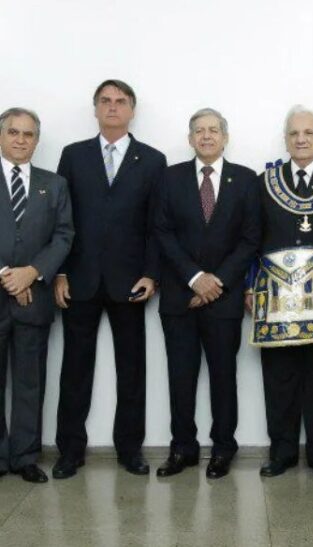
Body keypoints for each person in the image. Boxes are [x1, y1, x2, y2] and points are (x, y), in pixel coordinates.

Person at [52, 79, 167, 479]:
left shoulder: (153, 160)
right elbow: (61, 219)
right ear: (95, 109)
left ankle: (130, 449)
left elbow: (157, 225)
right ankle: (69, 451)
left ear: (132, 110)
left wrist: (152, 274)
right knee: (74, 370)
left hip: (130, 282)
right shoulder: (73, 155)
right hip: (79, 281)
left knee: (131, 371)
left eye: (121, 102)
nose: (113, 108)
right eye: (106, 101)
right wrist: (60, 272)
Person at [154, 108, 260, 479]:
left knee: (223, 377)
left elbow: (250, 239)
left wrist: (216, 283)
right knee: (180, 377)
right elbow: (162, 233)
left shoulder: (246, 180)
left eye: (214, 130)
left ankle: (223, 449)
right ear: (190, 139)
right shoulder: (169, 178)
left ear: (225, 137)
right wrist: (195, 278)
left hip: (225, 298)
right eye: (199, 131)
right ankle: (182, 448)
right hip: (179, 298)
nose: (207, 136)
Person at [245, 106, 313, 480]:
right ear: (285, 139)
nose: (300, 139)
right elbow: (252, 238)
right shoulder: (264, 182)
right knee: (279, 379)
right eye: (293, 134)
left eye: (308, 133)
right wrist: (248, 285)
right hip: (275, 298)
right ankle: (282, 452)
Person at [0, 108, 73, 483]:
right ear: (1, 135)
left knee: (30, 380)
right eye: (13, 132)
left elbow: (64, 235)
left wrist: (32, 273)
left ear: (37, 140)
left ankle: (26, 456)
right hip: (3, 292)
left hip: (36, 297)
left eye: (28, 134)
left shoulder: (54, 184)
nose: (20, 140)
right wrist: (8, 276)